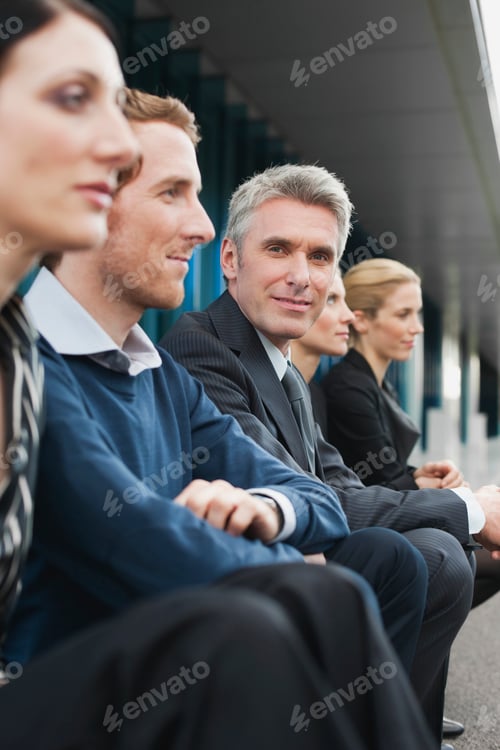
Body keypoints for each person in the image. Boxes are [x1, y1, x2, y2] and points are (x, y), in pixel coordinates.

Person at [0, 4, 437, 749]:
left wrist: (268, 512)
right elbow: (134, 541)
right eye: (171, 192)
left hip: (145, 650)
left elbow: (314, 497)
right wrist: (281, 558)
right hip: (73, 673)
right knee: (266, 618)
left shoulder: (158, 370)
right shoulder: (35, 352)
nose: (204, 227)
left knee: (328, 586)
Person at [162, 163, 500, 748]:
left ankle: (399, 732)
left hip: (297, 557)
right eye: (278, 249)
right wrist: (469, 508)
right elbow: (306, 493)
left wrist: (454, 509)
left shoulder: (282, 364)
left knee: (440, 551)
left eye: (320, 257)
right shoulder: (203, 346)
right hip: (232, 581)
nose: (301, 276)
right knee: (436, 553)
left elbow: (333, 477)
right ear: (230, 259)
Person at [319, 258, 500, 611]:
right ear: (362, 319)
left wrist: (418, 475)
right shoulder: (349, 388)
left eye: (417, 314)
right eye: (404, 314)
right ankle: (414, 628)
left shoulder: (376, 384)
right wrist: (429, 488)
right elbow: (368, 487)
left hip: (395, 523)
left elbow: (380, 470)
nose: (417, 327)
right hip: (379, 533)